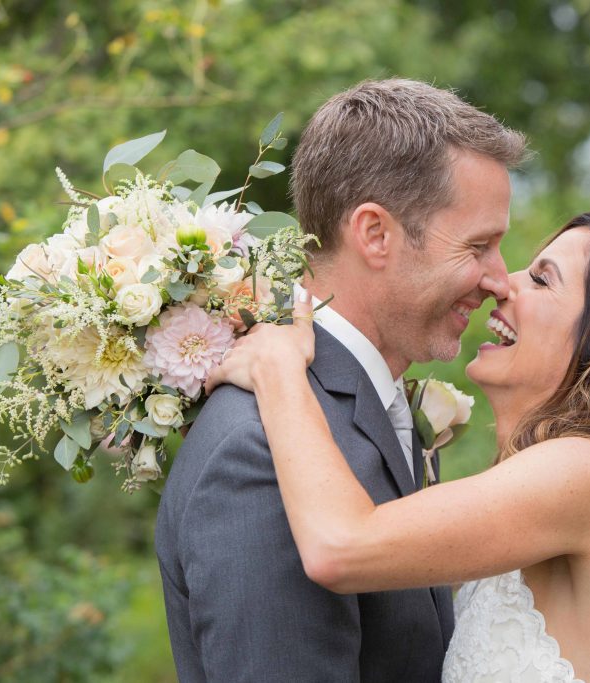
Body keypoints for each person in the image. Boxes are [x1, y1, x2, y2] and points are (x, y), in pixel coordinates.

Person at [205, 212, 590, 683]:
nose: (502, 283)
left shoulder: (588, 471)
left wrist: (279, 368)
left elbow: (340, 546)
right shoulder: (578, 481)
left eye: (543, 280)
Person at [155, 78, 528, 682]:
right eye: (479, 246)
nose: (500, 279)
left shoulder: (354, 405)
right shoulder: (258, 451)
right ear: (375, 234)